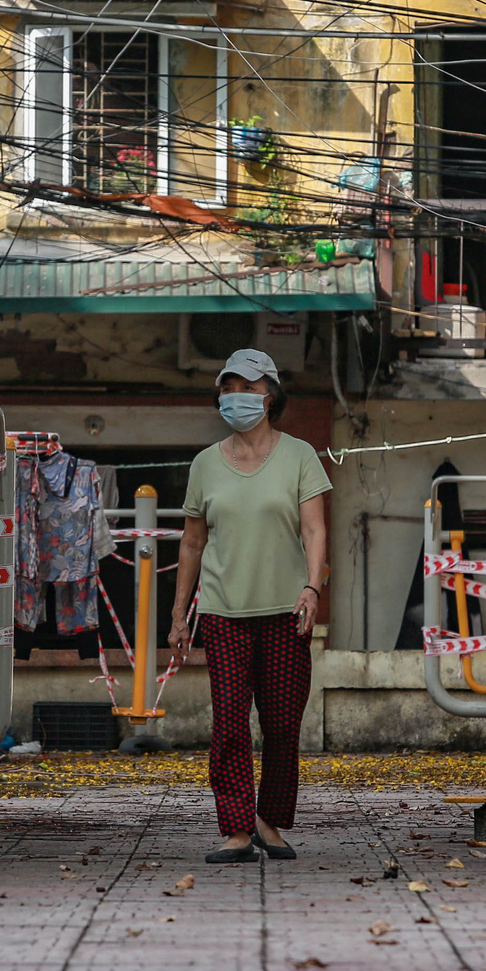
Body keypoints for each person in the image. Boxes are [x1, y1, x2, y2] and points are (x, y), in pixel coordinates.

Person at [171, 348, 330, 863]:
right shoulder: (204, 465)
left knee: (283, 724)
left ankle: (269, 819)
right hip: (222, 612)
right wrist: (179, 614)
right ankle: (237, 828)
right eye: (228, 387)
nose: (236, 397)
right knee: (230, 725)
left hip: (287, 612)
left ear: (271, 395)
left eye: (248, 387)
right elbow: (192, 543)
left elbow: (314, 528)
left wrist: (312, 587)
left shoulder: (300, 455)